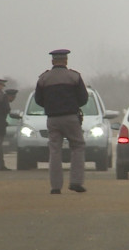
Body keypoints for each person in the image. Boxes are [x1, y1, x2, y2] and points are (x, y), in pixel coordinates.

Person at [35, 49, 89, 194]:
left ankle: (55, 187)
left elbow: (38, 100)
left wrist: (51, 106)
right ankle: (76, 182)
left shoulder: (44, 78)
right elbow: (84, 98)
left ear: (52, 61)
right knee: (78, 146)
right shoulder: (74, 77)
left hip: (52, 119)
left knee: (54, 151)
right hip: (71, 117)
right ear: (66, 61)